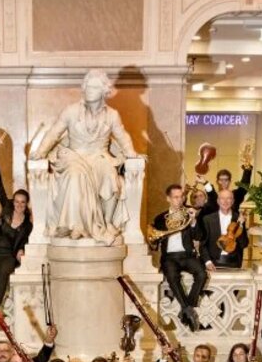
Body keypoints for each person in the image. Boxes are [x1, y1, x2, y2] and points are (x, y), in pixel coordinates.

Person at [31, 69, 140, 246]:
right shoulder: (71, 111)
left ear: (104, 91)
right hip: (74, 155)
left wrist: (131, 153)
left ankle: (107, 222)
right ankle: (76, 225)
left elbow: (122, 136)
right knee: (75, 175)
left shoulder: (112, 115)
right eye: (87, 86)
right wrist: (41, 152)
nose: (89, 90)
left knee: (110, 175)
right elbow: (54, 132)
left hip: (99, 155)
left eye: (94, 87)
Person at [0, 136, 33, 321]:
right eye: (17, 201)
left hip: (8, 256)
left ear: (26, 204)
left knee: (3, 271)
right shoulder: (7, 207)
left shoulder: (27, 225)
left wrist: (21, 251)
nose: (19, 204)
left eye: (22, 202)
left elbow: (25, 242)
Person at [152, 184, 203, 331]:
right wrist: (155, 238)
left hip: (187, 255)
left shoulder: (188, 214)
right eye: (175, 197)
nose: (179, 200)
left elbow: (199, 236)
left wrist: (193, 221)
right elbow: (154, 243)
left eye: (181, 197)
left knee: (201, 274)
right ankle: (188, 310)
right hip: (169, 257)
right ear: (168, 199)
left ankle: (186, 308)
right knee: (172, 276)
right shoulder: (160, 218)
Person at [200, 189, 248, 270]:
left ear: (232, 201)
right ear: (218, 201)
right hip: (213, 263)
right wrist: (207, 262)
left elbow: (244, 244)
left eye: (228, 198)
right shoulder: (207, 219)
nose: (225, 201)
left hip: (234, 263)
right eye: (222, 198)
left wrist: (241, 225)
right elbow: (203, 245)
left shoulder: (238, 218)